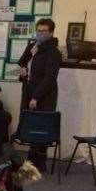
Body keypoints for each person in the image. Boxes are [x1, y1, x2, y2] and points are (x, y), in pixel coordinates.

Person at [17, 18, 61, 172]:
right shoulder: (33, 46)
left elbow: (50, 77)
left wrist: (36, 97)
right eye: (39, 30)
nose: (40, 34)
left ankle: (38, 163)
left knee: (41, 128)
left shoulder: (54, 52)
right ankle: (31, 160)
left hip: (44, 95)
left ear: (51, 32)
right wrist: (23, 69)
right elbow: (22, 62)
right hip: (28, 91)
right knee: (30, 126)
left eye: (44, 31)